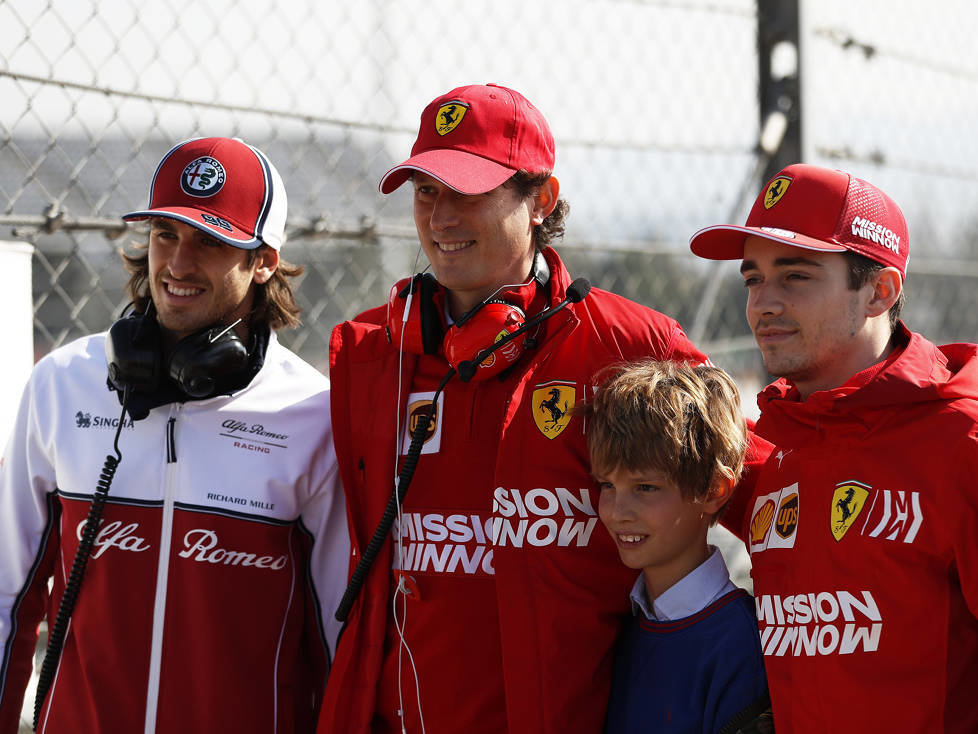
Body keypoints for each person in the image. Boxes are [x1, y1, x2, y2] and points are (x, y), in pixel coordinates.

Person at [319, 84, 709, 734]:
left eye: (468, 192)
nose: (440, 217)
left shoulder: (633, 349)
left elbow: (763, 493)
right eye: (425, 192)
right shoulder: (367, 357)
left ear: (542, 200)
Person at [0, 136, 349, 734]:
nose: (179, 265)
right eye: (166, 235)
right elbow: (8, 598)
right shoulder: (62, 385)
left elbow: (338, 636)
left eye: (211, 243)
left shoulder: (314, 415)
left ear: (264, 260)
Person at [689, 162, 978, 732]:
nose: (762, 304)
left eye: (794, 276)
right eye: (752, 279)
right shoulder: (773, 446)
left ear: (879, 291)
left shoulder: (961, 442)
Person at [583, 360, 769, 734]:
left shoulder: (740, 642)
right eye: (607, 485)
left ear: (714, 490)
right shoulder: (613, 624)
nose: (618, 512)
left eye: (645, 488)